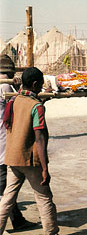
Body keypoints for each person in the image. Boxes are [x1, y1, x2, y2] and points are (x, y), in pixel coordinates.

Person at [0, 67, 59, 235]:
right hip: (29, 159)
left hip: (12, 158)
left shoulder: (14, 100)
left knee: (7, 199)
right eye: (40, 85)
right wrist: (45, 167)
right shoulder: (36, 107)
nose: (41, 87)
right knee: (44, 197)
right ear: (34, 84)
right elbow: (39, 138)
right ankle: (51, 232)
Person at [0, 55, 37, 231]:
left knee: (6, 189)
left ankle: (17, 220)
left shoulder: (5, 86)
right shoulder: (5, 86)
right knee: (6, 190)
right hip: (3, 146)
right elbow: (22, 104)